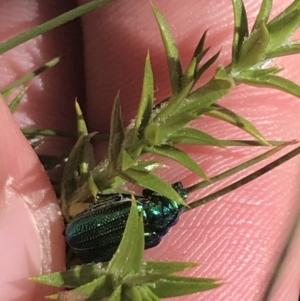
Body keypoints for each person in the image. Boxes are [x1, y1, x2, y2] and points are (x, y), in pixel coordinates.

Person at [0, 0, 300, 300]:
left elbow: (128, 211)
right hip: (81, 232)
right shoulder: (146, 222)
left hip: (80, 233)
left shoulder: (140, 209)